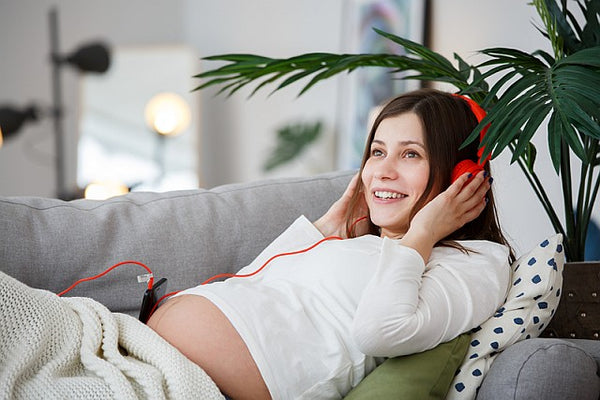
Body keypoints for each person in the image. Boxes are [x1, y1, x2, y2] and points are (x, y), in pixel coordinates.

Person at [147, 88, 514, 400]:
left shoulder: (477, 262)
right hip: (150, 355)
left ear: (462, 178)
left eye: (410, 154)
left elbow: (379, 332)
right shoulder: (359, 243)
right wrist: (323, 230)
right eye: (377, 152)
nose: (383, 171)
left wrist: (422, 233)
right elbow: (250, 284)